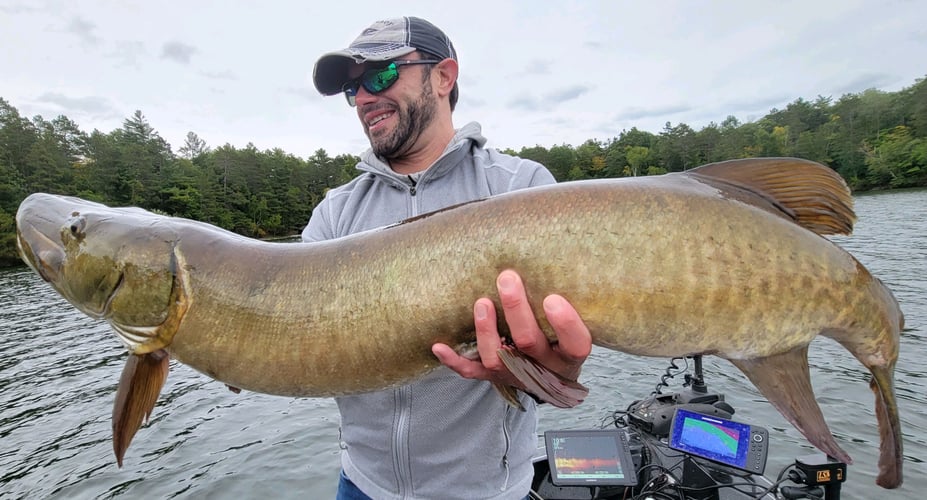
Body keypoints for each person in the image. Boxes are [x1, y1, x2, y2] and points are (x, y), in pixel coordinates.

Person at [304, 16, 593, 500]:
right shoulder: (334, 213)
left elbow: (561, 375)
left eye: (380, 76)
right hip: (361, 485)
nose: (364, 98)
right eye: (353, 89)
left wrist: (552, 371)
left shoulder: (521, 189)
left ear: (444, 77)